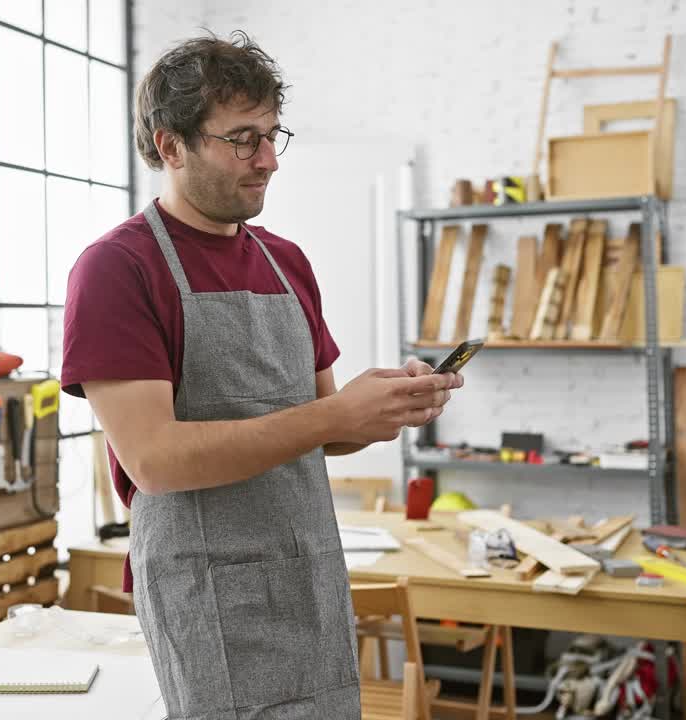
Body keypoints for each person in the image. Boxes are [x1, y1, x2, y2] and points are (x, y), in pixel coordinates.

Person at [61, 30, 463, 719]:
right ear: (170, 145)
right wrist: (333, 418)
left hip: (308, 573)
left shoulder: (287, 262)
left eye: (274, 135)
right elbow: (154, 460)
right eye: (243, 138)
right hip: (207, 591)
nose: (270, 160)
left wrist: (385, 405)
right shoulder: (118, 269)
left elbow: (324, 428)